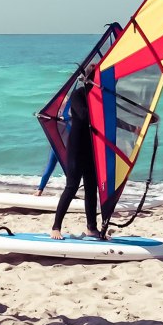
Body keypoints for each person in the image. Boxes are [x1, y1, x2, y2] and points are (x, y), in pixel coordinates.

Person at [50, 66, 101, 240]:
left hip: (91, 149)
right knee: (71, 187)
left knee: (91, 188)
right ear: (89, 79)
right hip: (76, 148)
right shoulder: (78, 95)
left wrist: (136, 125)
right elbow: (86, 116)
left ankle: (91, 228)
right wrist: (101, 106)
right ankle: (56, 227)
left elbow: (110, 121)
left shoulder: (100, 99)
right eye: (97, 77)